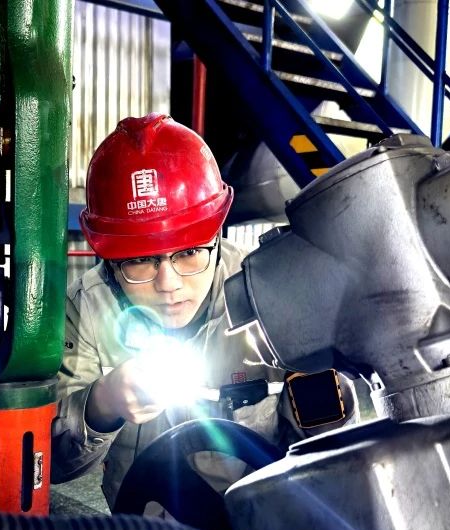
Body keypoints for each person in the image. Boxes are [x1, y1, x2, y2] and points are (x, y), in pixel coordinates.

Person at [53, 113, 357, 509]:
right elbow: (50, 464)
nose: (169, 283)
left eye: (190, 253)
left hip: (260, 524)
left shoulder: (274, 296)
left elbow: (334, 461)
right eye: (140, 261)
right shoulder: (86, 308)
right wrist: (102, 404)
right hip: (139, 527)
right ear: (110, 259)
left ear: (215, 236)